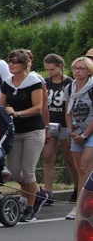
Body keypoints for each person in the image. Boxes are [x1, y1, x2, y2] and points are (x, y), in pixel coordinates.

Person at [0, 49, 46, 222]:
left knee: (28, 170)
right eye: (10, 61)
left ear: (25, 63)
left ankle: (30, 207)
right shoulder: (7, 82)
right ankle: (37, 192)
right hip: (15, 131)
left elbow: (37, 107)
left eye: (15, 61)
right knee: (13, 171)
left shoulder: (34, 81)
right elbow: (1, 105)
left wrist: (17, 113)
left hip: (33, 130)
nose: (11, 64)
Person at [42, 54, 77, 207]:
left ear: (60, 67)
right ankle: (47, 191)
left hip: (64, 123)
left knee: (69, 158)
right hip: (50, 123)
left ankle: (78, 187)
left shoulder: (69, 83)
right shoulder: (45, 83)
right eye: (47, 69)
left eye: (52, 69)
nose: (50, 72)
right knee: (48, 157)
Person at [65, 56, 93, 220]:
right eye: (75, 67)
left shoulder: (91, 88)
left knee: (84, 167)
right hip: (76, 131)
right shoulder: (70, 87)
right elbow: (68, 111)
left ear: (89, 71)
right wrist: (70, 131)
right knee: (81, 171)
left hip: (89, 132)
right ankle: (81, 204)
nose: (77, 71)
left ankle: (82, 205)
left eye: (81, 68)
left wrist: (84, 135)